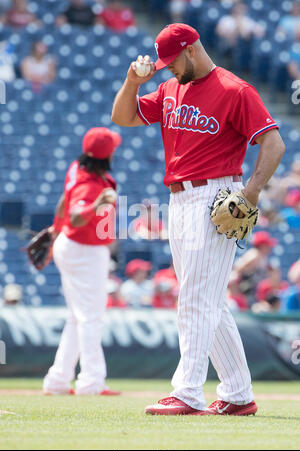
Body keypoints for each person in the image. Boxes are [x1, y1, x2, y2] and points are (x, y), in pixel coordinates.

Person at [111, 22, 285, 416]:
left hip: (216, 195)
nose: (167, 68)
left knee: (194, 298)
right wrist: (131, 81)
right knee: (208, 300)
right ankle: (238, 395)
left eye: (172, 60)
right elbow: (123, 117)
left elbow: (273, 143)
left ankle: (187, 390)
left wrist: (251, 193)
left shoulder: (234, 90)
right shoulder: (172, 87)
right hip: (178, 199)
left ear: (191, 49)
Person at [43, 127, 122, 396]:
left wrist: (55, 229)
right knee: (91, 318)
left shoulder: (77, 167)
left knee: (77, 318)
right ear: (105, 156)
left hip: (73, 245)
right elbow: (77, 216)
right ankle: (91, 382)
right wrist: (98, 201)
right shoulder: (91, 185)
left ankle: (57, 380)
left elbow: (64, 201)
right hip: (85, 250)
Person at [234, 231, 278, 305]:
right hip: (245, 290)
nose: (270, 247)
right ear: (262, 245)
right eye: (267, 245)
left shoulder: (262, 256)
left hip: (253, 290)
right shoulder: (254, 254)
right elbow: (237, 269)